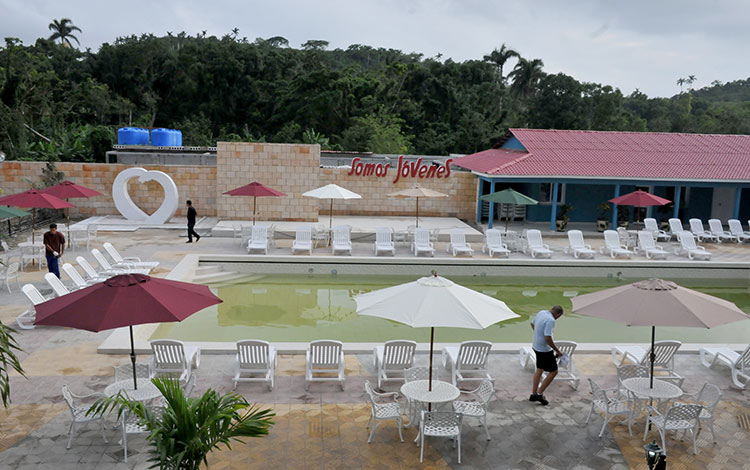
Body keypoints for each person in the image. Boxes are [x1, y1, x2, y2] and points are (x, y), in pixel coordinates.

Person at [529, 305, 564, 406]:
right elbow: (548, 338)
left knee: (540, 369)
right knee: (554, 371)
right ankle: (539, 393)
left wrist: (537, 334)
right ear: (557, 314)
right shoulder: (550, 320)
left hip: (536, 346)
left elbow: (532, 324)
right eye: (558, 317)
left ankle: (533, 393)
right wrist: (558, 351)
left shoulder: (541, 313)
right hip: (544, 350)